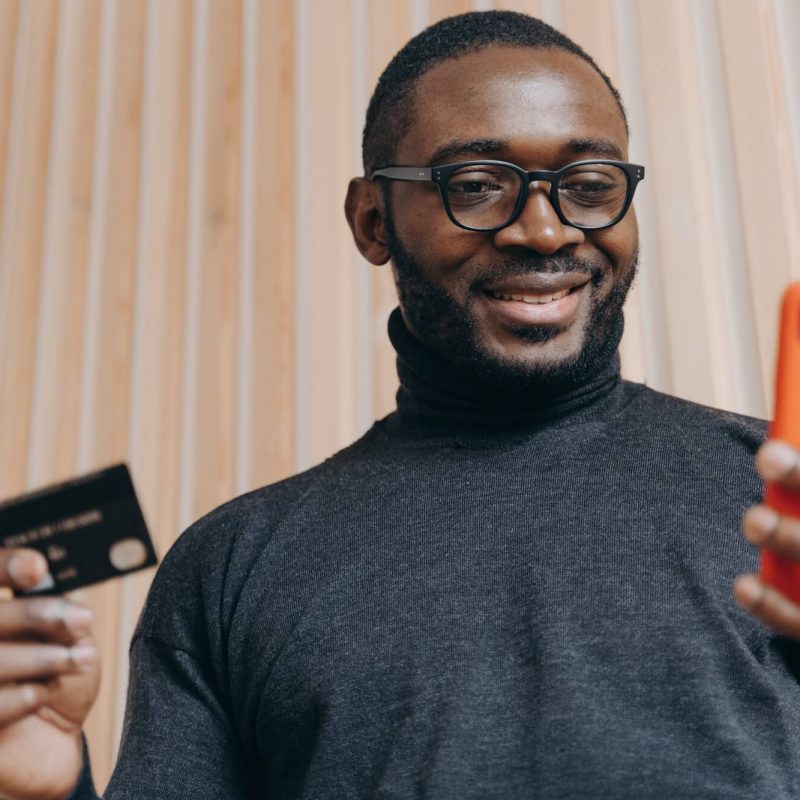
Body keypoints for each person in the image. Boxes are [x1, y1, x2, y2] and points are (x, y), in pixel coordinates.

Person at [1, 10, 799, 799]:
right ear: (372, 219)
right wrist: (44, 793)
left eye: (590, 186)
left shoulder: (778, 504)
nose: (546, 230)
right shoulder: (231, 568)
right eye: (477, 186)